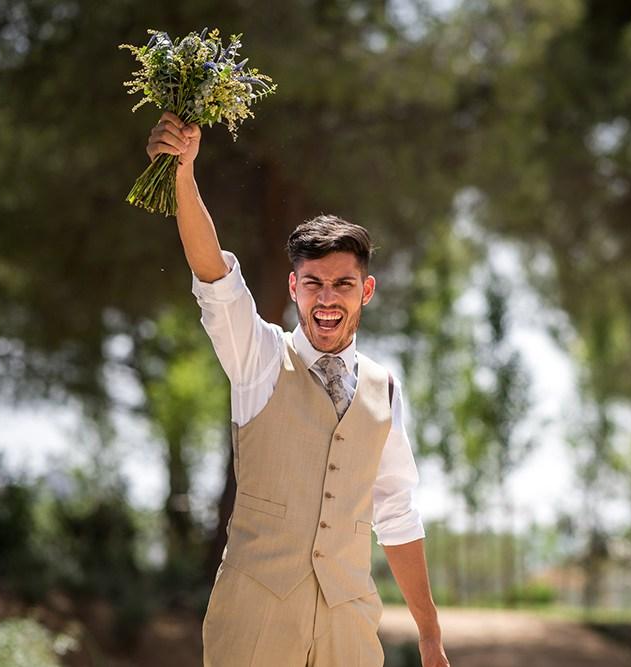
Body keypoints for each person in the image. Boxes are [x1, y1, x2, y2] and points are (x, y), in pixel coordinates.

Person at [146, 111, 450, 667]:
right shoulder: (258, 357)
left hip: (348, 627)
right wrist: (183, 175)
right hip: (255, 619)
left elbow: (396, 512)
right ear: (294, 287)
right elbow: (215, 278)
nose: (327, 299)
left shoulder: (384, 389)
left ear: (367, 291)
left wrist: (429, 633)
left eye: (343, 284)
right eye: (313, 284)